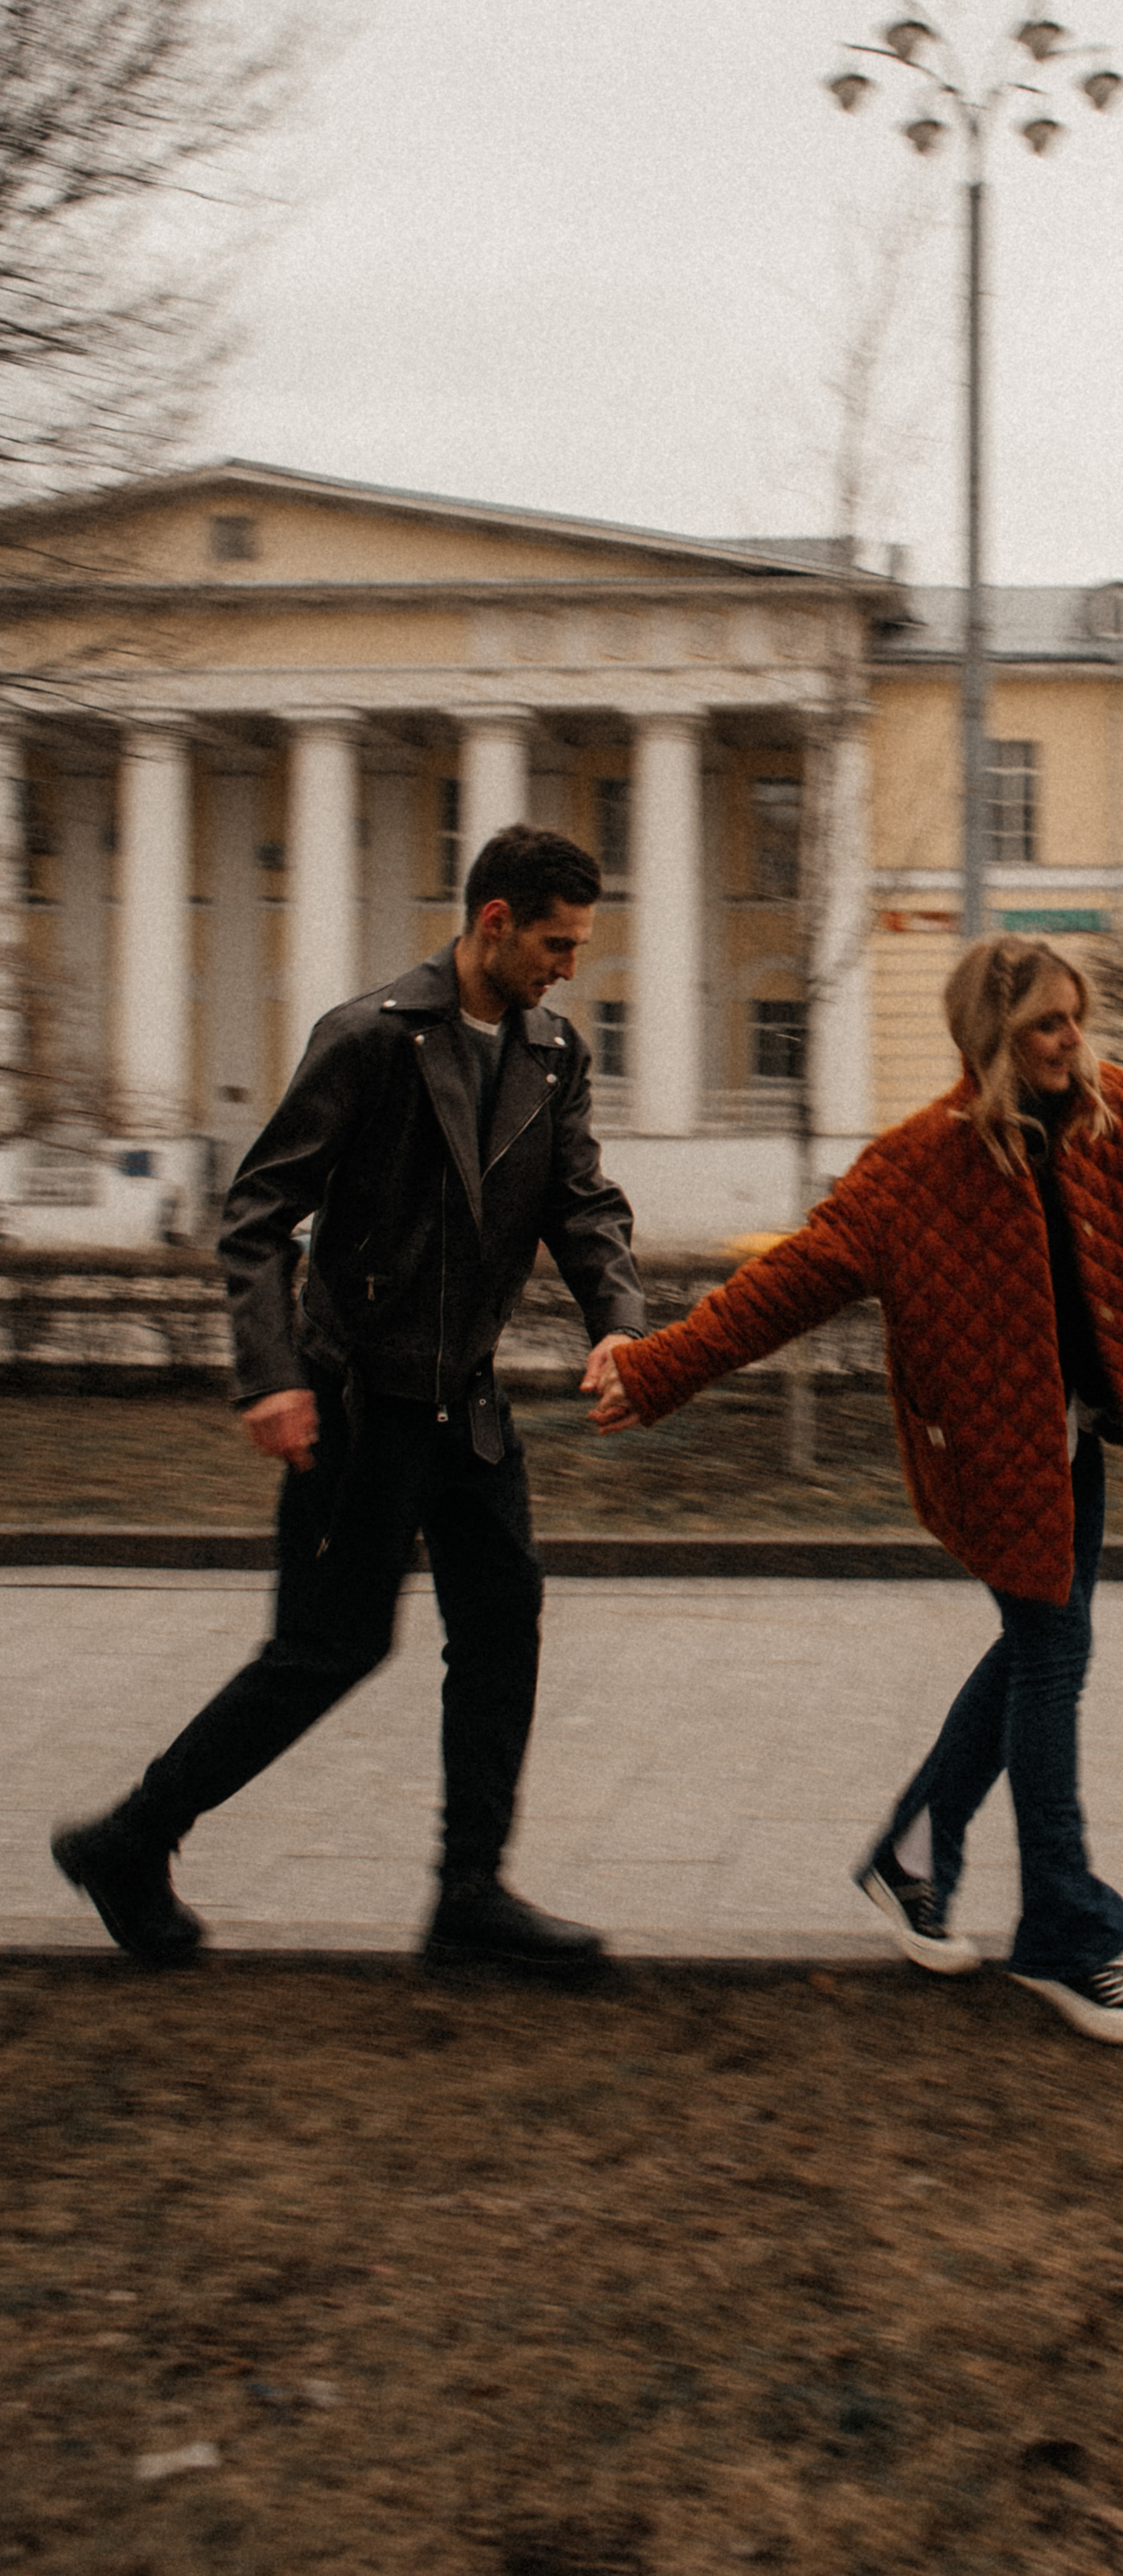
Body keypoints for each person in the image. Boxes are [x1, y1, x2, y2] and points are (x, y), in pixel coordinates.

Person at [588, 932, 1123, 2047]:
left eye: (1075, 1017)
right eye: (1044, 1025)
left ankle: (912, 1860)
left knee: (1034, 1653)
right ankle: (1063, 1931)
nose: (1069, 1041)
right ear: (991, 1039)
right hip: (995, 1453)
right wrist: (657, 1367)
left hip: (1085, 1434)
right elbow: (789, 1282)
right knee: (1055, 1660)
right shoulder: (916, 1166)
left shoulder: (1121, 1116)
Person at [52, 824, 645, 1972]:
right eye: (557, 944)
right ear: (493, 922)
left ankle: (469, 1894)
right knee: (326, 1649)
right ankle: (129, 1839)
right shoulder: (369, 1039)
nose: (570, 966)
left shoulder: (554, 1052)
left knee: (500, 1628)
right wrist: (272, 1375)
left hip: (466, 1409)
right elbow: (257, 1215)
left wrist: (619, 1321)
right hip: (355, 1400)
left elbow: (583, 1204)